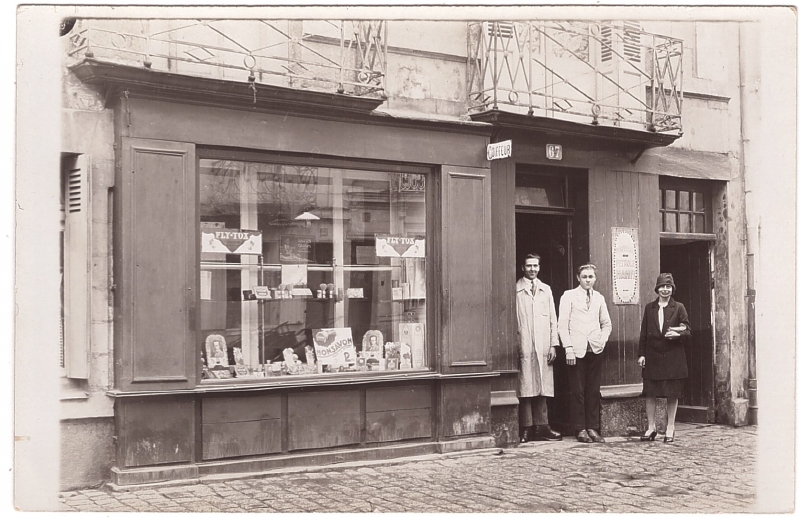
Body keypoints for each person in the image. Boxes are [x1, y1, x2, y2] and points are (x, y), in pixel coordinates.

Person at [557, 263, 612, 443]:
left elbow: (607, 324)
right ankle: (580, 428)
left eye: (591, 277)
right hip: (576, 350)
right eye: (585, 277)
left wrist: (601, 340)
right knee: (577, 391)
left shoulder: (599, 298)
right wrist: (568, 349)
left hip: (595, 349)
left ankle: (592, 428)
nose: (588, 280)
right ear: (578, 278)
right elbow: (562, 325)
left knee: (593, 390)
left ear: (595, 279)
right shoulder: (569, 296)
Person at [637, 273, 691, 443]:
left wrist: (676, 334)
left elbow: (688, 331)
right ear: (657, 289)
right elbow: (644, 333)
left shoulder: (679, 307)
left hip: (673, 358)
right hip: (653, 357)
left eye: (668, 287)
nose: (665, 290)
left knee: (672, 394)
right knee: (650, 393)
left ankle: (670, 427)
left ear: (672, 289)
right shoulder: (649, 308)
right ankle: (651, 427)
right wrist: (641, 354)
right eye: (662, 287)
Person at [515, 254, 562, 442]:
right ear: (522, 268)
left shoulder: (546, 290)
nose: (532, 269)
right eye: (529, 266)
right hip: (525, 342)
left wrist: (553, 344)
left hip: (543, 344)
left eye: (535, 266)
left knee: (542, 384)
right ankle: (526, 427)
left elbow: (553, 318)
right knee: (526, 385)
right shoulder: (516, 290)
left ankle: (542, 426)